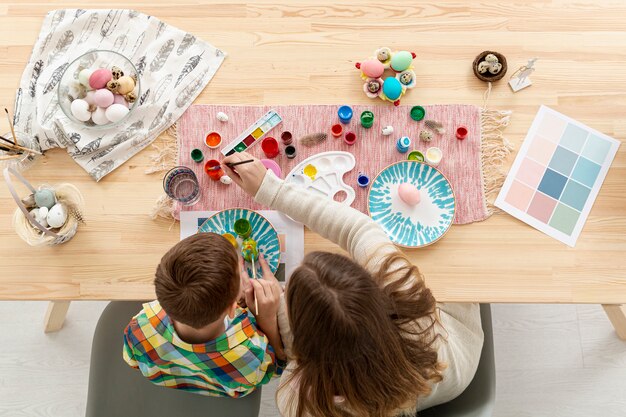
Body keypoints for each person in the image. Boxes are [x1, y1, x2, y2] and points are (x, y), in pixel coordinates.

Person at [223, 152, 484, 417]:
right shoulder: (405, 298)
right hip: (445, 373)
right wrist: (271, 190)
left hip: (438, 369)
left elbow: (290, 355)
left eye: (286, 294)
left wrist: (270, 317)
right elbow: (359, 230)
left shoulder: (300, 402)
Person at [122, 232, 286, 398]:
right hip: (230, 384)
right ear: (233, 308)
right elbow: (277, 369)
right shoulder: (250, 356)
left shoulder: (138, 327)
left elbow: (133, 362)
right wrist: (267, 320)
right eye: (239, 274)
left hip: (166, 379)